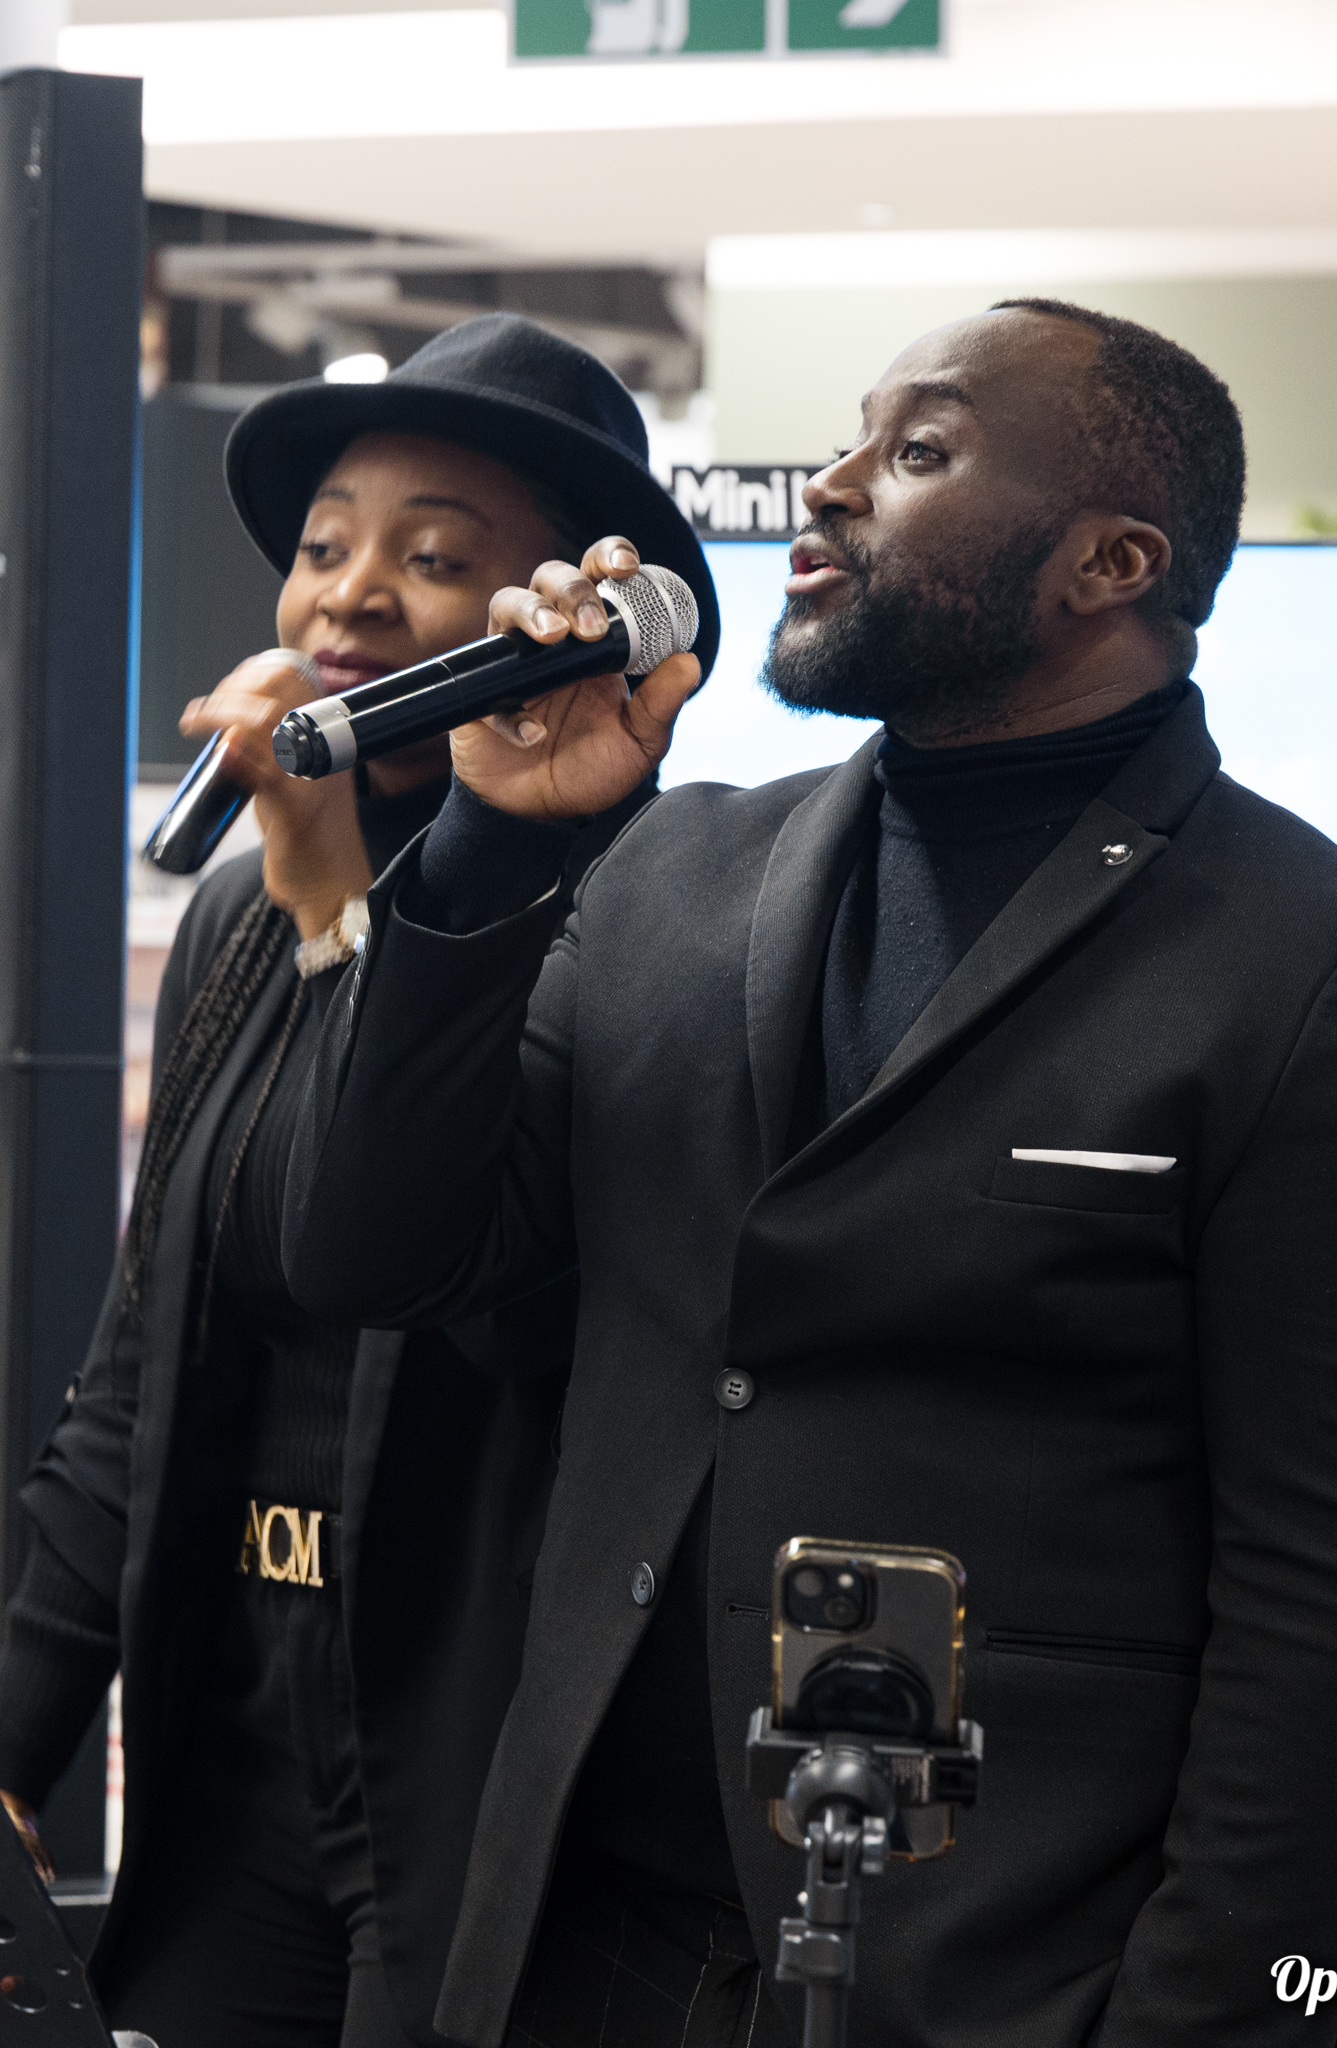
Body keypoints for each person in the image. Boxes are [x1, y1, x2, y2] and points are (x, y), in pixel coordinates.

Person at [282, 299, 1337, 2048]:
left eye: (916, 451)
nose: (834, 485)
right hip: (579, 1951)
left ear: (1110, 561)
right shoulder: (667, 878)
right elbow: (372, 1259)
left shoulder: (1325, 969)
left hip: (1000, 1985)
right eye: (851, 438)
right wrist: (491, 846)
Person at [0, 312, 718, 2048]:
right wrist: (18, 1728)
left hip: (469, 1757)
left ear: (553, 613)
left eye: (435, 555)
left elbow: (444, 1264)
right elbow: (142, 1366)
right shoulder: (244, 906)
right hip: (230, 1728)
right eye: (324, 545)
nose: (348, 596)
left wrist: (349, 921)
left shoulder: (645, 909)